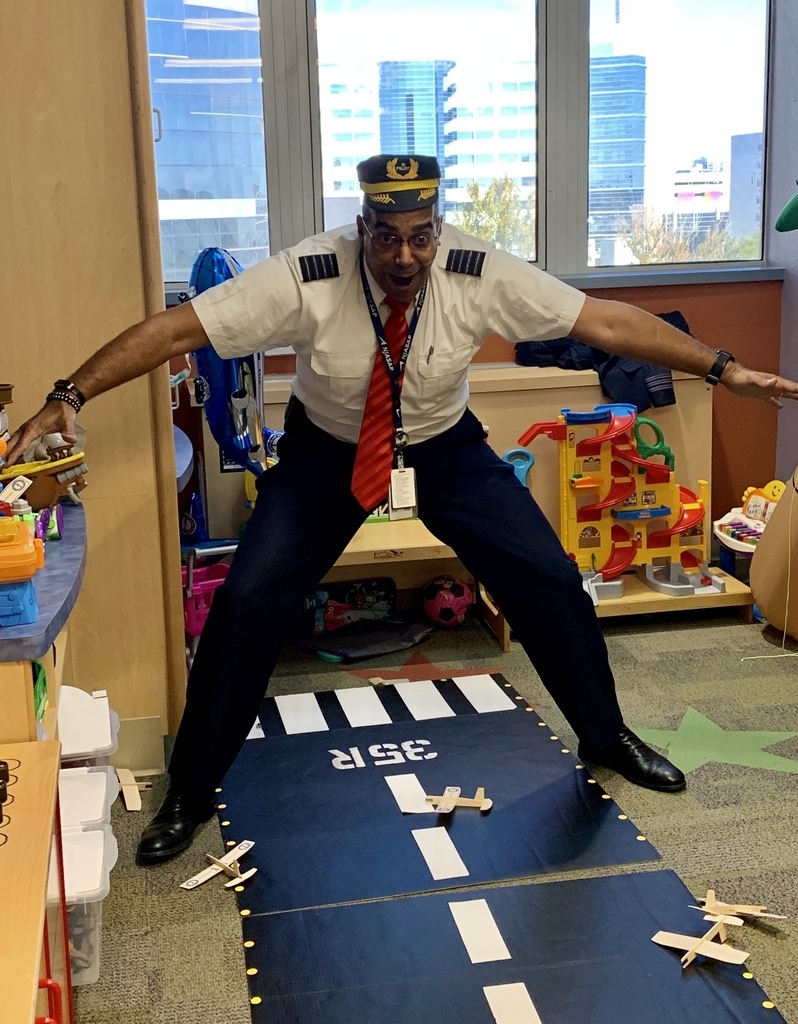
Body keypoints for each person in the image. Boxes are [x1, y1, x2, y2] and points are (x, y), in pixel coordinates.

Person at [7, 154, 798, 866]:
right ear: (363, 229)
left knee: (551, 580)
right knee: (248, 600)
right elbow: (177, 329)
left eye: (420, 237)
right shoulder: (309, 272)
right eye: (387, 237)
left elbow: (606, 321)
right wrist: (68, 395)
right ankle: (190, 790)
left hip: (442, 444)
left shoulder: (478, 270)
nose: (405, 256)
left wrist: (722, 368)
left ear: (437, 228)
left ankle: (606, 733)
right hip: (328, 450)